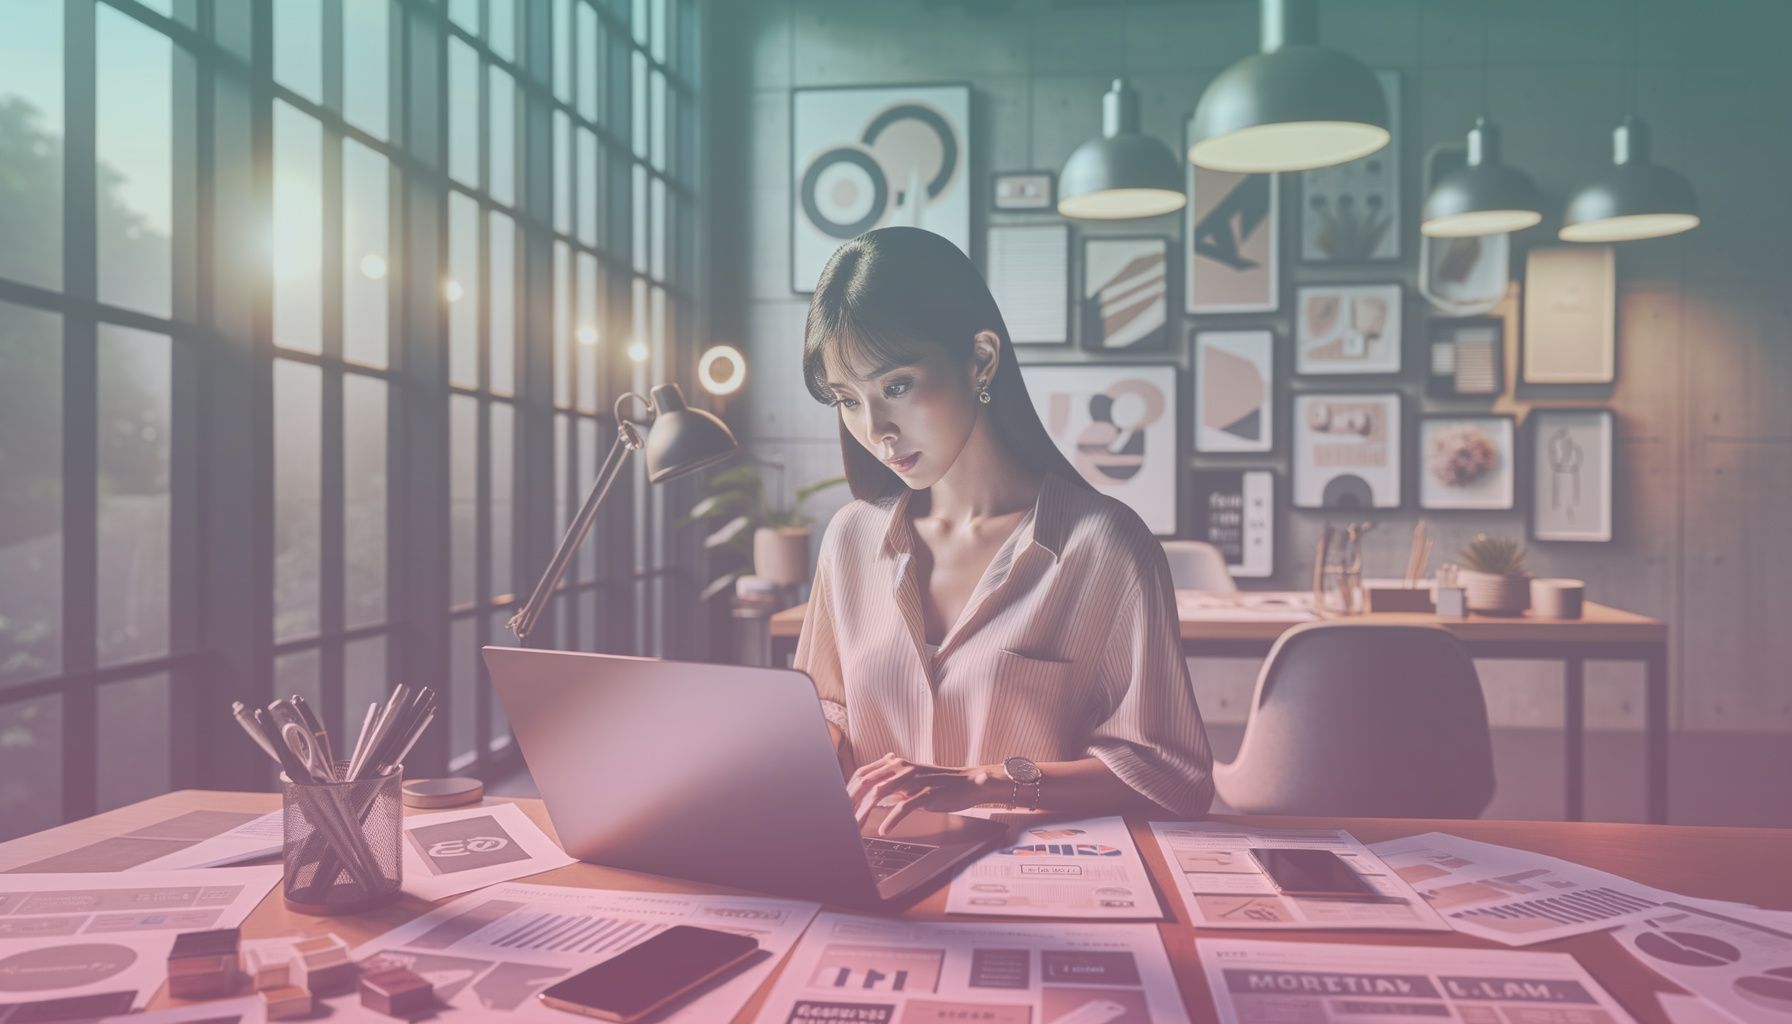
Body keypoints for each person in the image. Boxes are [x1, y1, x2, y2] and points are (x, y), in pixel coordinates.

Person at [793, 226, 1213, 836]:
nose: (876, 427)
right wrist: (813, 748)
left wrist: (984, 782)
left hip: (1039, 882)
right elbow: (829, 710)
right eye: (848, 399)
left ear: (981, 360)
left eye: (897, 386)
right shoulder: (851, 541)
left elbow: (1169, 773)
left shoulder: (1106, 549)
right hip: (877, 874)